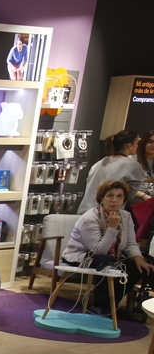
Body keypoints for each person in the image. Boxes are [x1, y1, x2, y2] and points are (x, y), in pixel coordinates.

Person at [62, 180, 154, 315]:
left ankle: (110, 304)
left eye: (119, 196)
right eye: (110, 196)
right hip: (83, 256)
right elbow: (98, 250)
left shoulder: (126, 216)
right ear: (101, 198)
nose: (114, 200)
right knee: (107, 262)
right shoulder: (90, 218)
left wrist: (138, 258)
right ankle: (99, 306)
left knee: (137, 267)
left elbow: (130, 243)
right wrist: (112, 227)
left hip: (112, 256)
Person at [77, 130, 149, 213]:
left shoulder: (99, 163)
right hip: (105, 215)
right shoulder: (133, 166)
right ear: (129, 146)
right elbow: (128, 195)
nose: (138, 146)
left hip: (84, 212)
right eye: (137, 143)